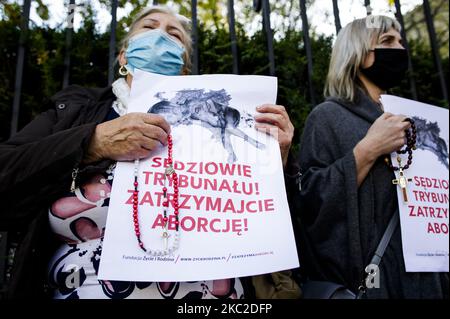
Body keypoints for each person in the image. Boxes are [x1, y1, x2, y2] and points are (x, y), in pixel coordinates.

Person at [0, 5, 295, 299]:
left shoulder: (220, 117)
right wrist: (92, 142)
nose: (160, 37)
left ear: (184, 68)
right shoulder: (76, 112)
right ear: (123, 56)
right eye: (149, 26)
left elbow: (273, 229)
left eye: (173, 34)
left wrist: (272, 164)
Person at [293, 15, 449, 298]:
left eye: (400, 41)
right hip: (374, 280)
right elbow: (310, 205)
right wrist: (366, 151)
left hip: (430, 277)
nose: (400, 48)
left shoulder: (412, 120)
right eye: (387, 41)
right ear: (356, 53)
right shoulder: (327, 117)